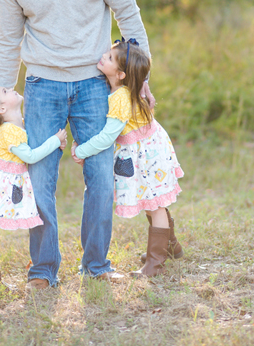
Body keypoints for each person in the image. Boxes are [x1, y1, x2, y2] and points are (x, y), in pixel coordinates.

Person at [0, 0, 154, 289]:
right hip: (42, 85)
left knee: (100, 176)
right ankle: (43, 270)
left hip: (94, 85)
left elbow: (128, 15)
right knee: (39, 177)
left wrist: (141, 81)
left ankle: (96, 264)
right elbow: (7, 41)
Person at [72, 39, 184, 277]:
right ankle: (169, 248)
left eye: (110, 58)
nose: (104, 56)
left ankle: (156, 262)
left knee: (155, 205)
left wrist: (81, 151)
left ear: (121, 74)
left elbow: (107, 137)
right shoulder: (120, 90)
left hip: (148, 154)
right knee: (153, 200)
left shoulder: (121, 97)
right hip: (147, 149)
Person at [0, 84, 67, 291]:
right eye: (5, 92)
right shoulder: (10, 131)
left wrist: (54, 144)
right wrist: (55, 140)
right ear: (1, 109)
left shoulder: (19, 126)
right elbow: (30, 156)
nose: (10, 88)